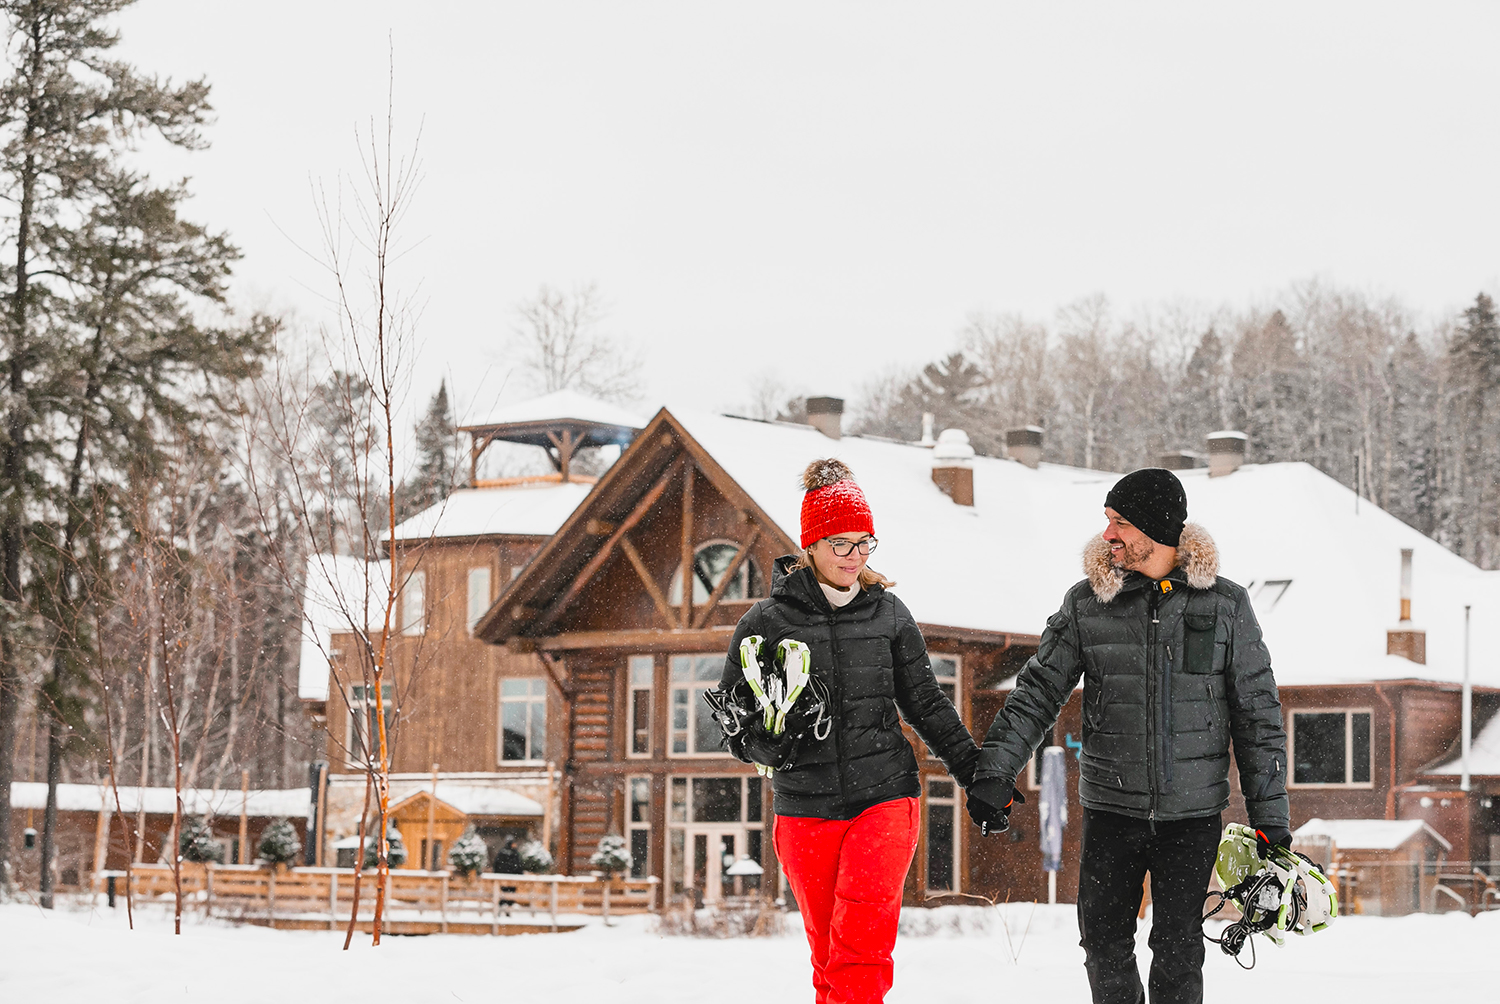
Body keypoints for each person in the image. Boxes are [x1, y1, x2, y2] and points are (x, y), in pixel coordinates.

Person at [967, 467, 1290, 1004]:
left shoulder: (1225, 606)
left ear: (1156, 529)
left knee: (1179, 945)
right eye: (1107, 522)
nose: (1108, 535)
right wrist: (995, 770)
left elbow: (1257, 717)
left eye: (1120, 523)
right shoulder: (1087, 603)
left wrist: (1271, 821)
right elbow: (1037, 691)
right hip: (1112, 806)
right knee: (1103, 940)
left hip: (1193, 812)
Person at [717, 458, 981, 1004]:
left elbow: (926, 704)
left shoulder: (888, 614)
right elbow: (735, 711)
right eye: (842, 544)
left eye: (865, 544)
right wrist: (753, 742)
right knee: (828, 958)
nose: (855, 556)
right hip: (803, 806)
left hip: (883, 797)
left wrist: (976, 772)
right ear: (811, 545)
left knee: (859, 949)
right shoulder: (765, 622)